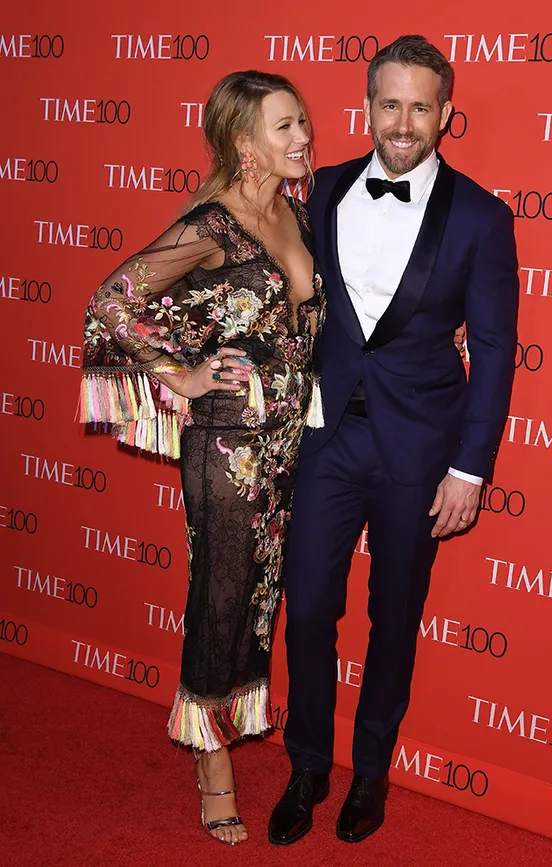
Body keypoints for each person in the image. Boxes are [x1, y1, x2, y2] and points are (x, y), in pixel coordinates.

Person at [269, 35, 519, 846]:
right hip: (327, 438)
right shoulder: (324, 187)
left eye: (420, 105)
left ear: (445, 113)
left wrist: (470, 468)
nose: (403, 121)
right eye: (389, 103)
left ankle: (370, 769)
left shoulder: (482, 217)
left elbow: (494, 349)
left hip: (421, 452)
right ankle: (308, 761)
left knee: (394, 615)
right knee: (305, 605)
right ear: (366, 106)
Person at [79, 70, 325, 846]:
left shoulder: (295, 210)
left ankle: (223, 721)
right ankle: (211, 763)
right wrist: (176, 375)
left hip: (285, 445)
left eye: (302, 123)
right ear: (241, 142)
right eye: (284, 127)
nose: (302, 138)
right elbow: (112, 300)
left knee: (259, 598)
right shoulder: (214, 225)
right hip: (225, 442)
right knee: (222, 594)